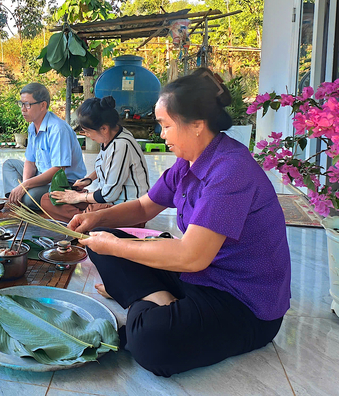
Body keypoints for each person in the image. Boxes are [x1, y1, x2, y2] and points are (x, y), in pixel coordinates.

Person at [68, 68, 291, 377]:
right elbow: (146, 206)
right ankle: (157, 298)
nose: (161, 135)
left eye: (166, 126)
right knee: (99, 237)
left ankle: (141, 299)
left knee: (150, 341)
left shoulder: (231, 170)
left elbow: (192, 256)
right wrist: (97, 217)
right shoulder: (187, 162)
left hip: (241, 301)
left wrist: (118, 247)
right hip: (196, 277)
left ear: (197, 125)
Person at [40, 96, 150, 223]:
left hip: (126, 210)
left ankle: (85, 220)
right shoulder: (110, 136)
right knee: (47, 199)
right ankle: (85, 220)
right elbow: (108, 166)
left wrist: (78, 197)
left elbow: (109, 195)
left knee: (91, 209)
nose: (87, 135)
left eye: (87, 132)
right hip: (109, 203)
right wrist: (89, 179)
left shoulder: (121, 145)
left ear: (104, 128)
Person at [2, 82, 86, 209]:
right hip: (41, 175)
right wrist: (25, 184)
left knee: (30, 198)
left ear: (43, 105)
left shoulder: (58, 129)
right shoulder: (32, 127)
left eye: (27, 105)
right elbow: (30, 162)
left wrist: (26, 186)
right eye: (21, 104)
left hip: (63, 182)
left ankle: (20, 198)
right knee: (9, 165)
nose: (23, 109)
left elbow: (58, 169)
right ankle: (16, 197)